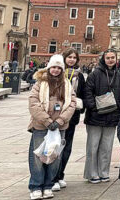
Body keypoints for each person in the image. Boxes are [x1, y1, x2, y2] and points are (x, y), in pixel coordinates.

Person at [27, 55, 77, 200]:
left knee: (54, 156)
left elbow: (72, 104)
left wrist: (60, 121)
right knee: (38, 156)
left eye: (59, 68)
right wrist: (47, 121)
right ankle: (36, 186)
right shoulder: (39, 84)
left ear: (62, 70)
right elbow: (33, 103)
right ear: (49, 68)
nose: (55, 70)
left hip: (59, 127)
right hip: (41, 125)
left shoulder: (67, 84)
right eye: (53, 67)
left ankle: (48, 185)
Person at [84, 49, 120, 184]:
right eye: (108, 58)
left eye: (112, 58)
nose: (110, 60)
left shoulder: (119, 75)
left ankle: (104, 172)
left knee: (107, 147)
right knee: (93, 146)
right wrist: (93, 107)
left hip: (112, 115)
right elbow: (88, 91)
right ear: (103, 59)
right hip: (95, 116)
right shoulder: (95, 74)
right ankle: (92, 173)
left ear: (116, 59)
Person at [54, 48, 86, 191]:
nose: (72, 60)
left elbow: (83, 94)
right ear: (64, 58)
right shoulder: (57, 73)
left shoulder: (79, 76)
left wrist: (80, 107)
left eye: (74, 57)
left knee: (66, 147)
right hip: (56, 116)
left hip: (72, 116)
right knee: (55, 146)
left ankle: (60, 175)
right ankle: (52, 177)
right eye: (69, 57)